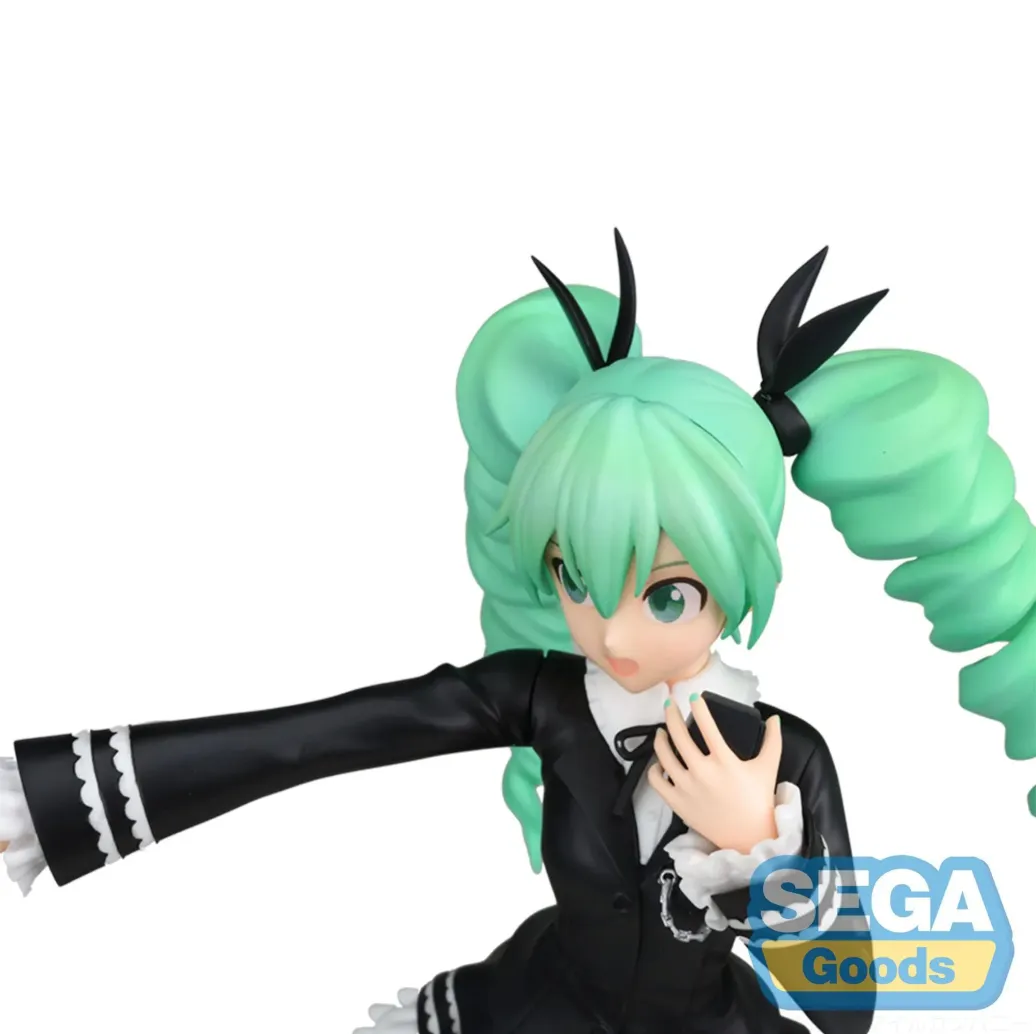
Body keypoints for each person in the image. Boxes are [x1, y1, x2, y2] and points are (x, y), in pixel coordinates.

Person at [2, 233, 1033, 1034]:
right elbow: (323, 736)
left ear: (743, 571)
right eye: (575, 578)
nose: (612, 634)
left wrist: (755, 847)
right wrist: (56, 804)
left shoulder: (785, 755)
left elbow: (848, 1010)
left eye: (665, 594)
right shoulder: (542, 697)